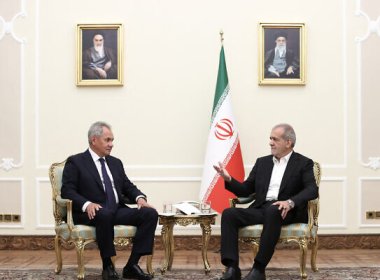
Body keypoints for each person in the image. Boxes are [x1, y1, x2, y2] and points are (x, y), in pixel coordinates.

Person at [214, 123, 318, 280]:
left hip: (286, 211)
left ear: (288, 142)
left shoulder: (303, 163)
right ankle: (232, 268)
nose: (270, 142)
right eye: (270, 138)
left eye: (275, 139)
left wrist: (290, 202)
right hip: (262, 208)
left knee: (273, 210)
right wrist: (228, 179)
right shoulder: (262, 162)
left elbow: (312, 190)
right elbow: (246, 190)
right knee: (229, 214)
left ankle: (258, 269)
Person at [61, 121, 158, 280]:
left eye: (112, 140)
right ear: (94, 140)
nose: (111, 144)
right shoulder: (76, 161)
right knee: (104, 214)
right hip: (91, 213)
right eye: (107, 140)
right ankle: (108, 266)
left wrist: (140, 198)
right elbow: (67, 190)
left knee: (150, 214)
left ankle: (132, 265)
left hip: (116, 209)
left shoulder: (115, 162)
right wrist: (87, 204)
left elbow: (127, 186)